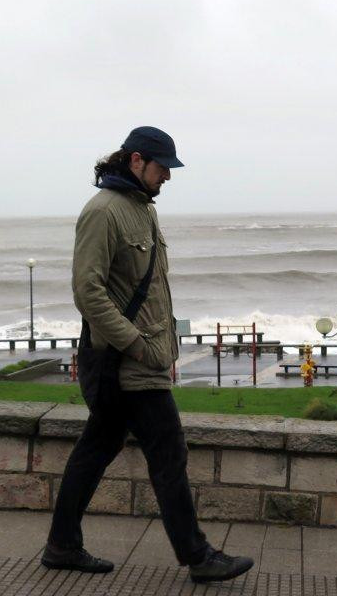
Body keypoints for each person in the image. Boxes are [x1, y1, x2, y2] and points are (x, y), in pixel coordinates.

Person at [42, 126, 253, 584]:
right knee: (168, 450)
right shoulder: (103, 212)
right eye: (163, 168)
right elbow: (88, 292)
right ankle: (198, 556)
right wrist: (138, 345)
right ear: (136, 161)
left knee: (97, 448)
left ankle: (62, 545)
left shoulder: (141, 209)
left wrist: (166, 348)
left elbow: (152, 292)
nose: (168, 178)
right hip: (123, 364)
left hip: (142, 360)